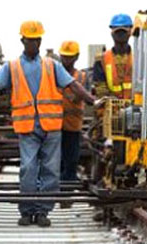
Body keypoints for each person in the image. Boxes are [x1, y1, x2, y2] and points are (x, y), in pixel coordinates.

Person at [0, 21, 97, 227]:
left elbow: (73, 85)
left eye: (37, 40)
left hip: (51, 126)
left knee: (50, 170)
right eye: (30, 40)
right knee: (28, 168)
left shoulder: (52, 65)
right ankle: (27, 209)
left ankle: (43, 211)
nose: (34, 43)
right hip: (28, 127)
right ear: (23, 40)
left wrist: (93, 101)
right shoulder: (12, 67)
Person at [58, 40, 88, 184]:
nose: (66, 60)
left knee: (71, 159)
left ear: (76, 57)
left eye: (70, 57)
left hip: (73, 125)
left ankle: (68, 188)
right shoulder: (53, 75)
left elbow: (84, 96)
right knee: (56, 160)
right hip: (54, 124)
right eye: (64, 56)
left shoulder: (81, 77)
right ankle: (58, 187)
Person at [92, 14, 135, 99]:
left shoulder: (140, 59)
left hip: (135, 108)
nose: (120, 35)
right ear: (112, 33)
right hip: (111, 108)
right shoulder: (102, 60)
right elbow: (100, 88)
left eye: (123, 32)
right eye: (118, 32)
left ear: (130, 32)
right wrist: (111, 100)